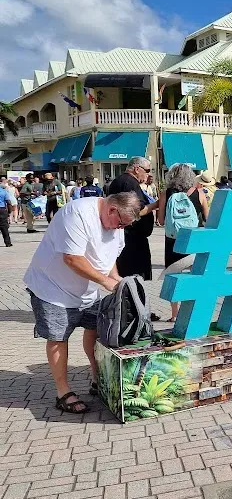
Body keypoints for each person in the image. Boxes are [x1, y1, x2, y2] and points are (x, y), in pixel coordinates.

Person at [23, 192, 140, 413]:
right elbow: (72, 258)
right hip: (53, 288)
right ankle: (63, 391)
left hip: (87, 289)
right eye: (121, 223)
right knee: (59, 337)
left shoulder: (116, 224)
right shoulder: (77, 213)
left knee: (96, 329)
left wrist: (116, 279)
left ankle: (97, 378)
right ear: (112, 209)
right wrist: (106, 282)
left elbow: (110, 256)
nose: (120, 228)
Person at [157, 164, 209, 322]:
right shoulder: (199, 193)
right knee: (197, 275)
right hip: (194, 240)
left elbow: (160, 220)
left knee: (174, 276)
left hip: (173, 240)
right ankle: (196, 310)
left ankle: (175, 314)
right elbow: (208, 219)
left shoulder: (166, 193)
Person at [107, 157, 159, 283]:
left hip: (128, 236)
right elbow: (135, 211)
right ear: (137, 169)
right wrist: (156, 204)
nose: (148, 174)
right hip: (131, 239)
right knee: (135, 277)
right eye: (147, 170)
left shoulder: (123, 181)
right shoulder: (129, 183)